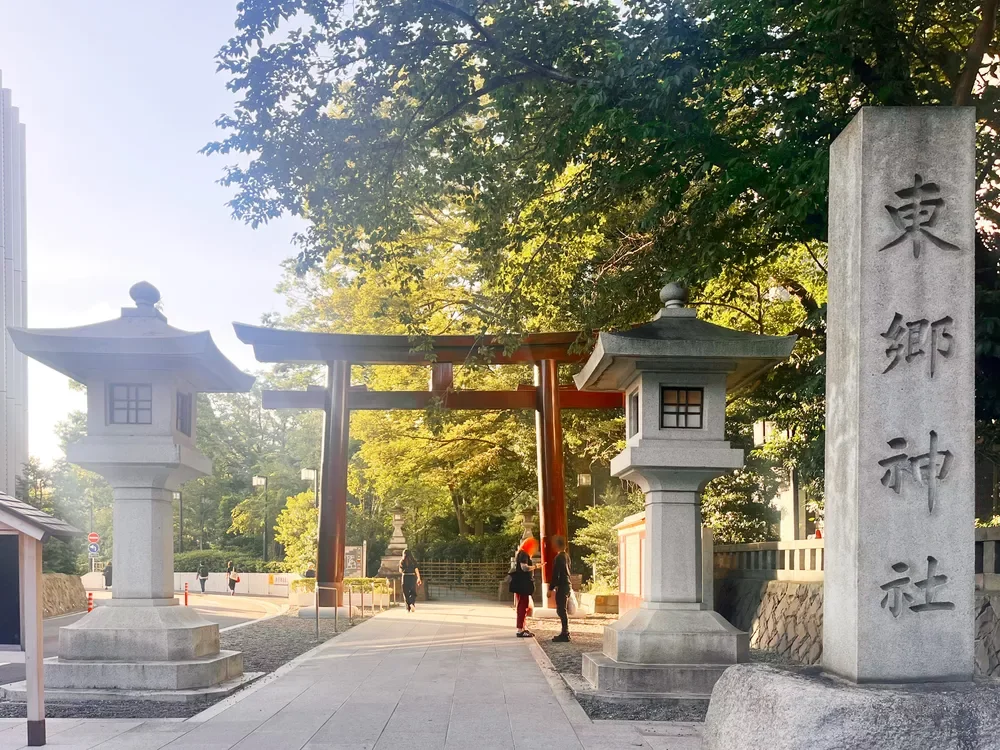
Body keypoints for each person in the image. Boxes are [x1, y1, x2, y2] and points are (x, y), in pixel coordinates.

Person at [509, 538, 538, 638]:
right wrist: (536, 566)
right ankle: (520, 629)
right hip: (523, 584)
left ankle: (522, 627)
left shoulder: (521, 553)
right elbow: (524, 567)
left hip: (521, 583)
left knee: (523, 605)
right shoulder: (524, 554)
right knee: (522, 605)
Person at [550, 535, 571, 642]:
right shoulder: (566, 556)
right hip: (567, 584)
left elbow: (556, 574)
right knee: (562, 610)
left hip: (562, 585)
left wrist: (551, 588)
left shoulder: (558, 558)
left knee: (561, 610)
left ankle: (565, 633)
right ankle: (565, 632)